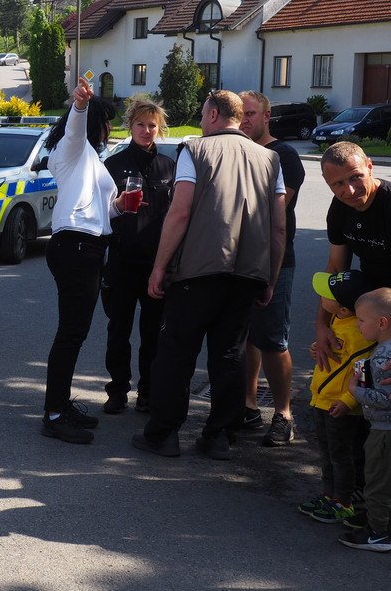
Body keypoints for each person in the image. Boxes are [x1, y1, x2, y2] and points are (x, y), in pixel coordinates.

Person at [131, 90, 286, 461]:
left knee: (176, 351)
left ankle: (164, 434)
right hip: (248, 272)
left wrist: (159, 266)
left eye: (203, 115)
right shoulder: (270, 158)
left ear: (214, 115)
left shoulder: (195, 150)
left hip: (198, 271)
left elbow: (180, 212)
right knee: (230, 355)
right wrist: (271, 277)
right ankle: (219, 437)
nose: (201, 122)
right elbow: (279, 226)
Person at [40, 77, 132, 445]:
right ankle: (54, 414)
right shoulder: (72, 149)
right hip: (76, 246)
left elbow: (99, 210)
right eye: (107, 121)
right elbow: (75, 130)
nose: (110, 128)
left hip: (87, 246)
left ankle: (60, 405)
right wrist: (80, 105)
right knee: (70, 333)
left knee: (74, 333)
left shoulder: (91, 159)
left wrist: (119, 207)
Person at [237, 91, 305, 446]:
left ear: (266, 117)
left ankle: (283, 415)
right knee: (246, 336)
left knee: (273, 339)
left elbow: (272, 208)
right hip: (237, 257)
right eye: (240, 114)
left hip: (274, 260)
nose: (244, 120)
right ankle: (247, 406)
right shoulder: (238, 152)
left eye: (251, 113)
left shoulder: (284, 155)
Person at [100, 98, 175, 414]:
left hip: (156, 264)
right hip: (121, 261)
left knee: (153, 333)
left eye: (152, 125)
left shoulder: (169, 167)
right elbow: (100, 212)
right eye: (141, 124)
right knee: (118, 330)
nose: (147, 130)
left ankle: (148, 391)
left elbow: (177, 215)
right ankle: (117, 391)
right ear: (130, 126)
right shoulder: (113, 165)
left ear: (160, 129)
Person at [298, 270, 375, 525]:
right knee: (327, 455)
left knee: (341, 456)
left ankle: (344, 502)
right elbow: (336, 358)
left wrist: (348, 401)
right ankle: (329, 495)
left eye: (326, 295)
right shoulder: (336, 321)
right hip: (321, 400)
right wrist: (317, 348)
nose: (321, 297)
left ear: (343, 308)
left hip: (340, 406)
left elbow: (363, 373)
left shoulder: (360, 333)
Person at [314, 142, 391, 370]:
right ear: (327, 183)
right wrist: (321, 325)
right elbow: (336, 268)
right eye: (338, 183)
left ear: (370, 166)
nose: (349, 191)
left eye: (355, 177)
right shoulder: (340, 208)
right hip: (373, 301)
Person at [340, 287, 391, 552]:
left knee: (377, 480)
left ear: (382, 323)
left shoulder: (382, 356)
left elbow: (384, 398)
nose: (357, 325)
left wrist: (355, 391)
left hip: (384, 430)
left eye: (361, 320)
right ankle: (379, 520)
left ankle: (378, 532)